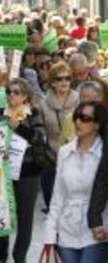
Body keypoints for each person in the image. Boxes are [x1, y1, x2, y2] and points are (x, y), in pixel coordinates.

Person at [44, 101, 108, 263]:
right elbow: (58, 197)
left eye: (86, 118)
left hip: (97, 229)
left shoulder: (104, 154)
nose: (78, 121)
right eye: (77, 117)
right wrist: (49, 236)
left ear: (97, 124)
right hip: (67, 229)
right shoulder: (64, 152)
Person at [0, 78, 45, 263]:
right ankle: (2, 244)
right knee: (2, 211)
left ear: (25, 96)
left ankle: (20, 254)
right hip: (4, 171)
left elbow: (39, 138)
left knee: (25, 214)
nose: (11, 95)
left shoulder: (34, 114)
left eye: (16, 92)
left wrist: (20, 127)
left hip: (28, 171)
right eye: (9, 91)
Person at [40, 62, 79, 212]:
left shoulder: (78, 100)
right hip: (51, 156)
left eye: (67, 78)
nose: (64, 82)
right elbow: (41, 130)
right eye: (59, 79)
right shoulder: (43, 103)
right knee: (52, 204)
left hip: (75, 156)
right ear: (52, 82)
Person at [60, 81, 105, 145]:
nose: (84, 100)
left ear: (99, 99)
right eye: (82, 96)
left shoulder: (104, 119)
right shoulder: (69, 119)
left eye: (88, 97)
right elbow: (61, 144)